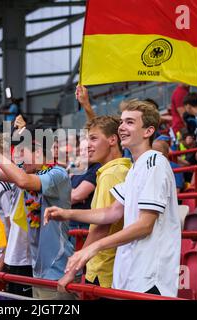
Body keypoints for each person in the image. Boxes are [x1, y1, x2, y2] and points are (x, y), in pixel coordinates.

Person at [45, 100, 181, 297]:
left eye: (130, 122)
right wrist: (66, 213)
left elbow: (145, 225)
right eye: (122, 122)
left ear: (148, 131)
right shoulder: (136, 167)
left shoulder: (155, 163)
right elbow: (112, 212)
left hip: (150, 278)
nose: (122, 128)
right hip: (132, 274)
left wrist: (93, 247)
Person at [0, 125, 76, 300]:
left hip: (58, 274)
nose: (19, 157)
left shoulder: (58, 174)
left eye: (22, 151)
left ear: (38, 150)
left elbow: (22, 180)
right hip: (37, 273)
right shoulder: (32, 171)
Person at [60, 115, 132, 291]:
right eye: (86, 140)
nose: (87, 145)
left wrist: (74, 268)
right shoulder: (120, 170)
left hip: (104, 269)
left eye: (93, 138)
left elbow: (101, 228)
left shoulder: (110, 174)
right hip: (112, 266)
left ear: (112, 140)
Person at [69, 138, 101, 230]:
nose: (82, 153)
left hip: (83, 226)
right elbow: (63, 188)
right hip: (72, 223)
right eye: (81, 150)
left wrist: (74, 193)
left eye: (86, 149)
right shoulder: (79, 169)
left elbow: (76, 196)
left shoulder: (96, 168)